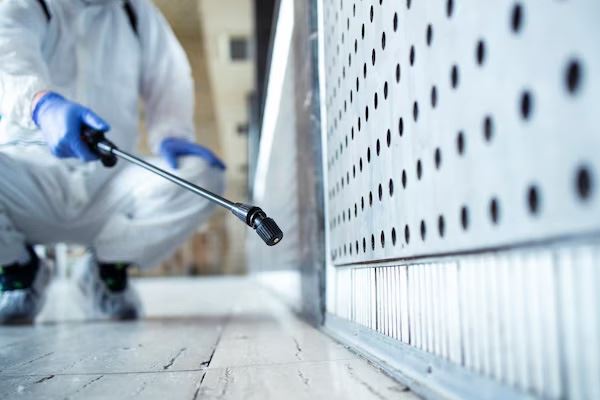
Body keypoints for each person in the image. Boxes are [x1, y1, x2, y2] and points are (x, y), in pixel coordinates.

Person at [0, 0, 225, 323]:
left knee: (202, 177)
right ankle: (17, 268)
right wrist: (41, 104)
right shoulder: (27, 3)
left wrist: (171, 132)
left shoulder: (137, 14)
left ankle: (107, 269)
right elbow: (7, 51)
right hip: (28, 184)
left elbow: (169, 75)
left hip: (110, 186)